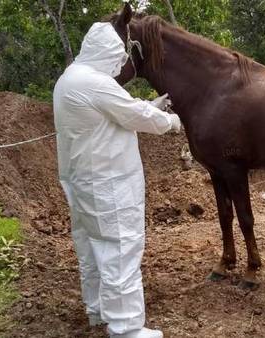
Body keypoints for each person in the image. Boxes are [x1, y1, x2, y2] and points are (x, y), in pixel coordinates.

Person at [53, 21, 181, 338]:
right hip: (108, 183)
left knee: (93, 250)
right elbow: (135, 116)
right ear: (104, 54)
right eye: (115, 59)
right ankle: (126, 329)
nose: (116, 66)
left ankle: (98, 311)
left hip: (82, 180)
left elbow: (117, 112)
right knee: (120, 250)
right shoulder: (94, 82)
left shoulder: (70, 78)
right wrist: (171, 121)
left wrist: (149, 106)